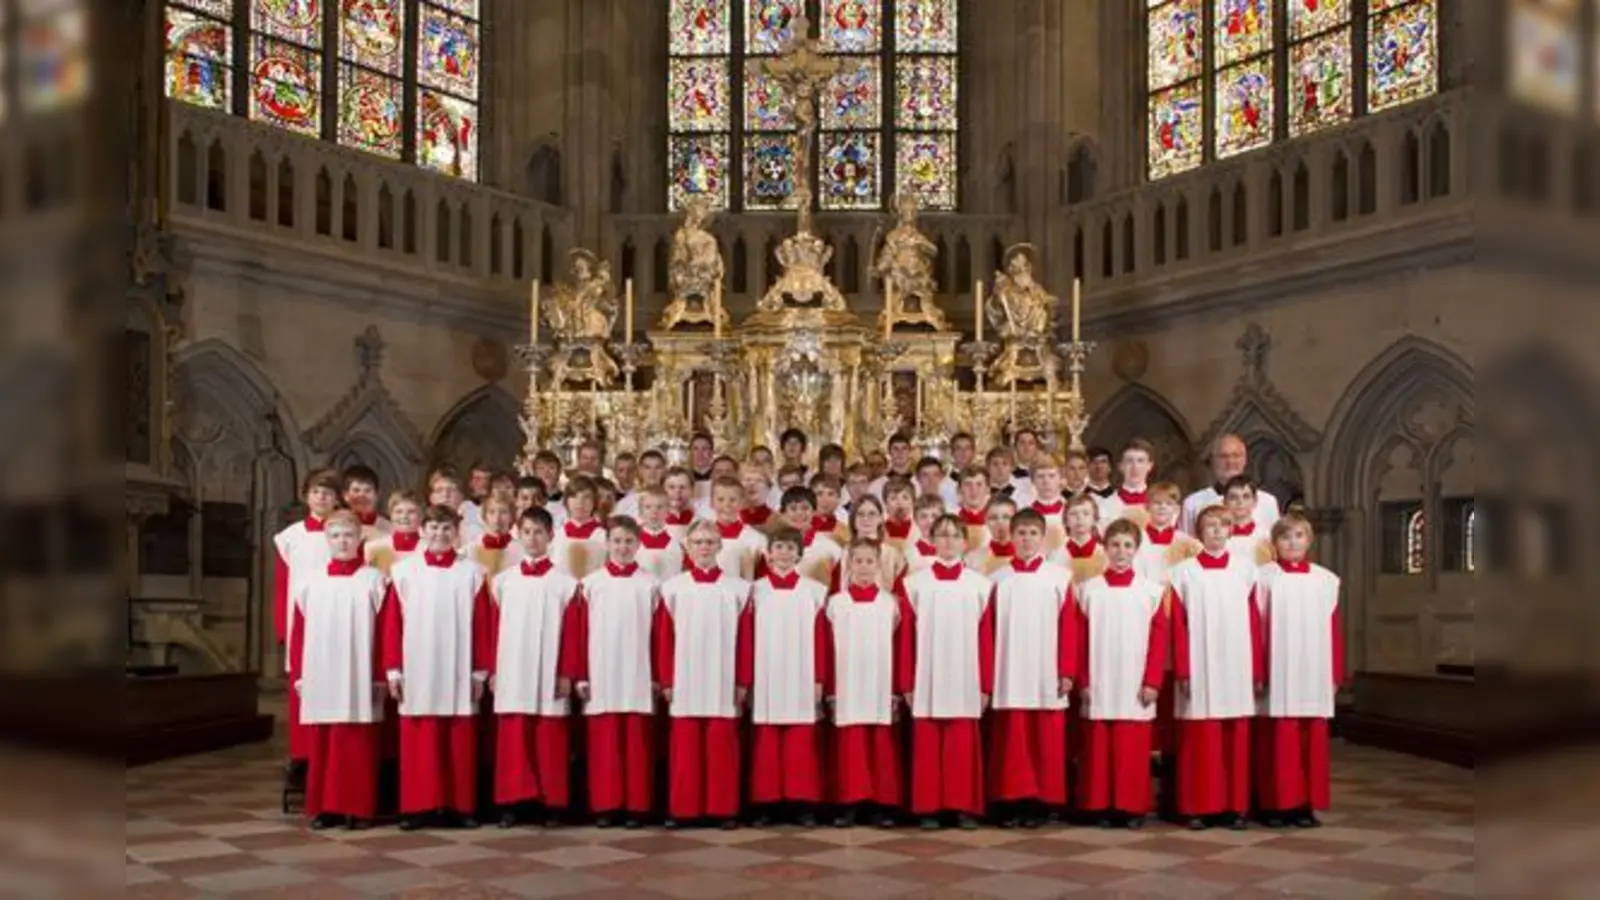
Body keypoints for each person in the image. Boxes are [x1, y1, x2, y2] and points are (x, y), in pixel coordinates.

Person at [383, 504, 492, 830]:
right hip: (417, 666)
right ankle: (418, 806)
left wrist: (479, 671)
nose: (439, 534)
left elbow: (483, 625)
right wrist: (393, 669)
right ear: (422, 530)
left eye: (446, 529)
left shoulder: (473, 573)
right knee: (420, 739)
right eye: (433, 527)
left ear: (456, 533)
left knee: (458, 740)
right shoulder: (403, 572)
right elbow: (392, 625)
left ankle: (460, 806)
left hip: (459, 666)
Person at [291, 510, 389, 831]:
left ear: (360, 538)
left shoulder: (375, 580)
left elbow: (384, 631)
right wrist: (300, 674)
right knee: (324, 740)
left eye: (348, 535)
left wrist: (380, 674)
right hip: (321, 670)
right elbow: (300, 632)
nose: (342, 541)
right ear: (326, 540)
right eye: (335, 536)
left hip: (360, 670)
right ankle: (325, 807)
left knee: (356, 740)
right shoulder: (310, 582)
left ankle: (357, 807)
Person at [1168, 505, 1263, 830]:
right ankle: (1198, 806)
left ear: (1230, 530)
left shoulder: (1247, 570)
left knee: (1233, 738)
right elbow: (1177, 626)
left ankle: (1235, 807)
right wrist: (1183, 669)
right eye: (1209, 526)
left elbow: (1254, 623)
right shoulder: (1182, 573)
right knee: (1200, 738)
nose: (1216, 532)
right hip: (1198, 664)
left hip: (1236, 664)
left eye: (1222, 526)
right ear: (1199, 532)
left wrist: (1256, 670)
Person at [487, 506, 583, 827]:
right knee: (514, 735)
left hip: (549, 669)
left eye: (539, 532)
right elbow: (492, 629)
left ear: (551, 536)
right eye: (526, 531)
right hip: (512, 668)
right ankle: (511, 802)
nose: (532, 538)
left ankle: (551, 802)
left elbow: (573, 633)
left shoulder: (565, 583)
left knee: (549, 735)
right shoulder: (502, 582)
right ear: (518, 535)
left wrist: (567, 672)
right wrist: (492, 670)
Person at [1074, 519, 1170, 829]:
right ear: (1104, 547)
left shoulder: (1152, 592)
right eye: (1114, 544)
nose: (1120, 551)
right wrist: (1084, 681)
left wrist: (1153, 681)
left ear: (1136, 550)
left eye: (1127, 545)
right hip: (1100, 679)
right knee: (1099, 745)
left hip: (1135, 681)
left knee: (1132, 746)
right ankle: (1100, 805)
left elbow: (1158, 643)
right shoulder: (1088, 590)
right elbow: (1080, 640)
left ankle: (1132, 806)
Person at [655, 520, 751, 828]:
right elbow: (663, 639)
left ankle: (722, 809)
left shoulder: (738, 589)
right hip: (685, 676)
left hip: (723, 677)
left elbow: (746, 639)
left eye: (710, 542)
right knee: (685, 746)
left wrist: (742, 680)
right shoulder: (672, 588)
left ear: (720, 546)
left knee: (721, 746)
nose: (704, 547)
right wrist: (667, 679)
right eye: (698, 542)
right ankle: (684, 809)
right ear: (687, 547)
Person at [902, 514, 994, 830]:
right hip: (926, 672)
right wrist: (906, 681)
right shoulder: (914, 583)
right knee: (928, 740)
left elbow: (986, 639)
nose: (949, 541)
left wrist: (985, 684)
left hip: (966, 673)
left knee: (961, 740)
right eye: (942, 535)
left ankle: (962, 805)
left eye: (955, 536)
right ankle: (929, 806)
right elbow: (906, 638)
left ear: (965, 543)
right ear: (931, 541)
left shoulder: (980, 585)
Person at [986, 509, 1075, 827]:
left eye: (1032, 534)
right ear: (1011, 537)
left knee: (1044, 736)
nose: (1026, 540)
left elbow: (1068, 626)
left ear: (1043, 538)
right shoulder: (997, 580)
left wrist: (1066, 670)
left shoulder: (1059, 578)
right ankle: (1012, 799)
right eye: (1020, 533)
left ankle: (1041, 801)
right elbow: (988, 630)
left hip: (1045, 669)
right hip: (1007, 668)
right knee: (1013, 737)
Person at [1254, 513, 1343, 829]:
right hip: (1277, 668)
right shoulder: (1263, 577)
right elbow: (1254, 629)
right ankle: (1275, 804)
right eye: (1286, 537)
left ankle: (1305, 804)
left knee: (1312, 740)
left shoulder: (1326, 580)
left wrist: (1334, 674)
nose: (1293, 542)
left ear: (1309, 540)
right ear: (1274, 543)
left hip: (1313, 670)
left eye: (1299, 536)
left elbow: (1333, 630)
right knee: (1278, 739)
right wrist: (1258, 672)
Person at [572, 517, 659, 828]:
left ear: (638, 545)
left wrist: (657, 675)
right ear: (607, 544)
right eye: (617, 541)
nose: (623, 547)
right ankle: (605, 805)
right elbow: (579, 632)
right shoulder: (590, 584)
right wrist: (581, 673)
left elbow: (659, 635)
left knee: (636, 741)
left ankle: (636, 805)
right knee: (604, 741)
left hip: (638, 668)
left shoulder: (650, 584)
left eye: (629, 542)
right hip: (601, 669)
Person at [744, 526, 830, 826]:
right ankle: (766, 803)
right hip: (766, 672)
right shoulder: (754, 591)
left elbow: (821, 639)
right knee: (767, 739)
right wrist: (748, 678)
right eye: (778, 547)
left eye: (790, 548)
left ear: (800, 555)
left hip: (801, 673)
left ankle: (802, 802)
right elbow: (746, 637)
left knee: (800, 741)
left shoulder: (815, 592)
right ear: (768, 553)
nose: (783, 553)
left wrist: (820, 678)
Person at [824, 539, 911, 827]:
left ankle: (882, 804)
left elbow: (900, 647)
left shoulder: (891, 605)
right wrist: (831, 690)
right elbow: (827, 648)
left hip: (881, 684)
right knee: (852, 744)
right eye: (857, 561)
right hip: (847, 683)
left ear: (879, 566)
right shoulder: (836, 604)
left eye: (869, 561)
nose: (863, 567)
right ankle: (850, 802)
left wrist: (898, 689)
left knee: (880, 743)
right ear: (849, 566)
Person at [275, 468, 343, 776]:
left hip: (338, 622)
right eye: (316, 491)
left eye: (328, 493)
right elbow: (281, 585)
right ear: (306, 495)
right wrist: (282, 629)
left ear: (337, 498)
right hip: (300, 623)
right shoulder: (290, 538)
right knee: (301, 694)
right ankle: (301, 756)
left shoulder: (345, 532)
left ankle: (331, 755)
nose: (322, 497)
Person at [1181, 434, 1282, 536]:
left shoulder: (1268, 502)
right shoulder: (1192, 503)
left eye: (1236, 455)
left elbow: (1275, 545)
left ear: (1245, 459)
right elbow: (1185, 546)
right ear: (1212, 460)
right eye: (1223, 456)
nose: (1230, 461)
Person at [779, 486, 843, 588]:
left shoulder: (829, 547)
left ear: (814, 512)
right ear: (783, 514)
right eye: (793, 508)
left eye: (805, 508)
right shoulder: (771, 547)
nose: (799, 513)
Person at [709, 475, 769, 580]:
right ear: (712, 503)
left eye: (732, 500)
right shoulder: (700, 536)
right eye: (720, 499)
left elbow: (763, 577)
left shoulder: (757, 539)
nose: (727, 504)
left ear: (742, 503)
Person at [846, 495, 908, 591]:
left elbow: (901, 592)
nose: (866, 518)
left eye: (872, 514)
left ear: (880, 518)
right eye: (860, 514)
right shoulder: (844, 553)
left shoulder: (894, 555)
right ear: (853, 519)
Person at [550, 477, 607, 578]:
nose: (580, 502)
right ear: (566, 501)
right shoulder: (557, 535)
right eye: (574, 496)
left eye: (586, 497)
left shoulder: (603, 536)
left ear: (595, 502)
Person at [1097, 439, 1156, 532]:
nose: (1135, 467)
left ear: (1150, 466)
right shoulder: (1105, 505)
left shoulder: (1161, 505)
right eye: (1129, 461)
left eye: (1140, 461)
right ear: (1120, 466)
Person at [365, 490, 423, 578]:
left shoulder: (429, 548)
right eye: (398, 512)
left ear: (421, 515)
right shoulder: (375, 547)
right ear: (391, 515)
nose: (404, 516)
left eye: (411, 512)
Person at [634, 487, 686, 582]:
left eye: (659, 507)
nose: (654, 512)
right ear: (640, 512)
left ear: (668, 511)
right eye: (648, 507)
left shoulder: (677, 543)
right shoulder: (633, 542)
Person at [1055, 493, 1108, 584]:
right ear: (1065, 521)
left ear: (1095, 519)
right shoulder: (1056, 555)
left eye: (1086, 513)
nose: (1079, 518)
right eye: (1073, 514)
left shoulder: (1104, 554)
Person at [1223, 475, 1276, 566]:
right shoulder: (1217, 536)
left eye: (1246, 497)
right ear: (1224, 502)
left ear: (1255, 501)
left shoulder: (1266, 537)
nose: (1240, 502)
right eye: (1233, 497)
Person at [1026, 455, 1070, 553]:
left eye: (1051, 476)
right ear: (1033, 480)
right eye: (1040, 476)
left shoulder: (1071, 510)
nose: (1046, 481)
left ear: (1060, 478)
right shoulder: (1026, 514)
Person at [966, 497, 1018, 576]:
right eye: (993, 518)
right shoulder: (972, 559)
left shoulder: (1028, 557)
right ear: (985, 521)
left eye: (1006, 517)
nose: (1000, 522)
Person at [470, 495, 519, 576]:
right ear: (485, 517)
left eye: (503, 512)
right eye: (491, 512)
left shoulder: (519, 549)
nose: (497, 518)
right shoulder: (472, 548)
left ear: (512, 516)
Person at [341, 465, 390, 539]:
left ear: (377, 495)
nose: (362, 495)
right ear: (345, 495)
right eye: (356, 490)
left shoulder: (389, 527)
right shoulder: (336, 525)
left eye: (367, 490)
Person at [953, 467, 993, 552]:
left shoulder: (998, 520)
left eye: (979, 484)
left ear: (988, 489)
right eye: (968, 484)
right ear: (958, 489)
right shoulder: (950, 520)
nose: (973, 490)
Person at [904, 494, 946, 574]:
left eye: (935, 516)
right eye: (923, 516)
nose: (929, 521)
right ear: (916, 520)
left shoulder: (950, 546)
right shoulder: (912, 550)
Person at [810, 474, 851, 544]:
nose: (825, 500)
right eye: (819, 494)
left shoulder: (845, 526)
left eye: (831, 494)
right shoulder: (802, 525)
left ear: (838, 498)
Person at [881, 477, 917, 551]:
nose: (900, 502)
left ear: (913, 502)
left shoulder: (920, 528)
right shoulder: (878, 529)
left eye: (905, 498)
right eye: (893, 498)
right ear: (885, 504)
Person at [661, 467, 697, 539]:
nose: (677, 491)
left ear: (692, 490)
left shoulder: (700, 521)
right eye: (671, 487)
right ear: (662, 490)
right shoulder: (648, 523)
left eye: (683, 487)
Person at [738, 462, 776, 529]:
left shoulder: (775, 518)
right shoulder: (731, 515)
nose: (752, 484)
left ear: (768, 487)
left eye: (759, 480)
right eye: (748, 480)